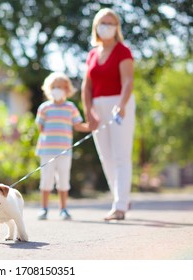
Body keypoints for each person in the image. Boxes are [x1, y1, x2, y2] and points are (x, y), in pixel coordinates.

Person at [81, 8, 135, 221]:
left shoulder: (123, 51)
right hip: (97, 106)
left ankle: (120, 206)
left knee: (121, 155)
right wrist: (89, 112)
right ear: (96, 26)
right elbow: (87, 86)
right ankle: (121, 197)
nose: (107, 26)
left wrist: (121, 104)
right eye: (103, 22)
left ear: (117, 28)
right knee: (106, 157)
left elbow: (128, 81)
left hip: (120, 103)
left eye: (111, 23)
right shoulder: (92, 54)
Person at [35, 72, 90, 220]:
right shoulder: (44, 108)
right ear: (49, 88)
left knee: (63, 180)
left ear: (67, 89)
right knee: (46, 180)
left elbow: (78, 125)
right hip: (47, 151)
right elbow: (40, 128)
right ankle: (44, 208)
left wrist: (91, 126)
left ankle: (63, 209)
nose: (57, 89)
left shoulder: (70, 107)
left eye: (60, 86)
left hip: (65, 151)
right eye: (54, 86)